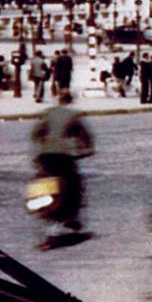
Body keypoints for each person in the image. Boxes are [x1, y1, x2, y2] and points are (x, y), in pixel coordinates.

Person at [31, 88, 93, 249]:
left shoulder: (48, 112)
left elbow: (36, 133)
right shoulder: (73, 115)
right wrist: (85, 149)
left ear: (58, 100)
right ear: (70, 100)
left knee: (44, 187)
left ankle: (47, 222)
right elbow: (85, 136)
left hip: (45, 157)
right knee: (73, 186)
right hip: (63, 156)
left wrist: (39, 150)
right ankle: (69, 217)